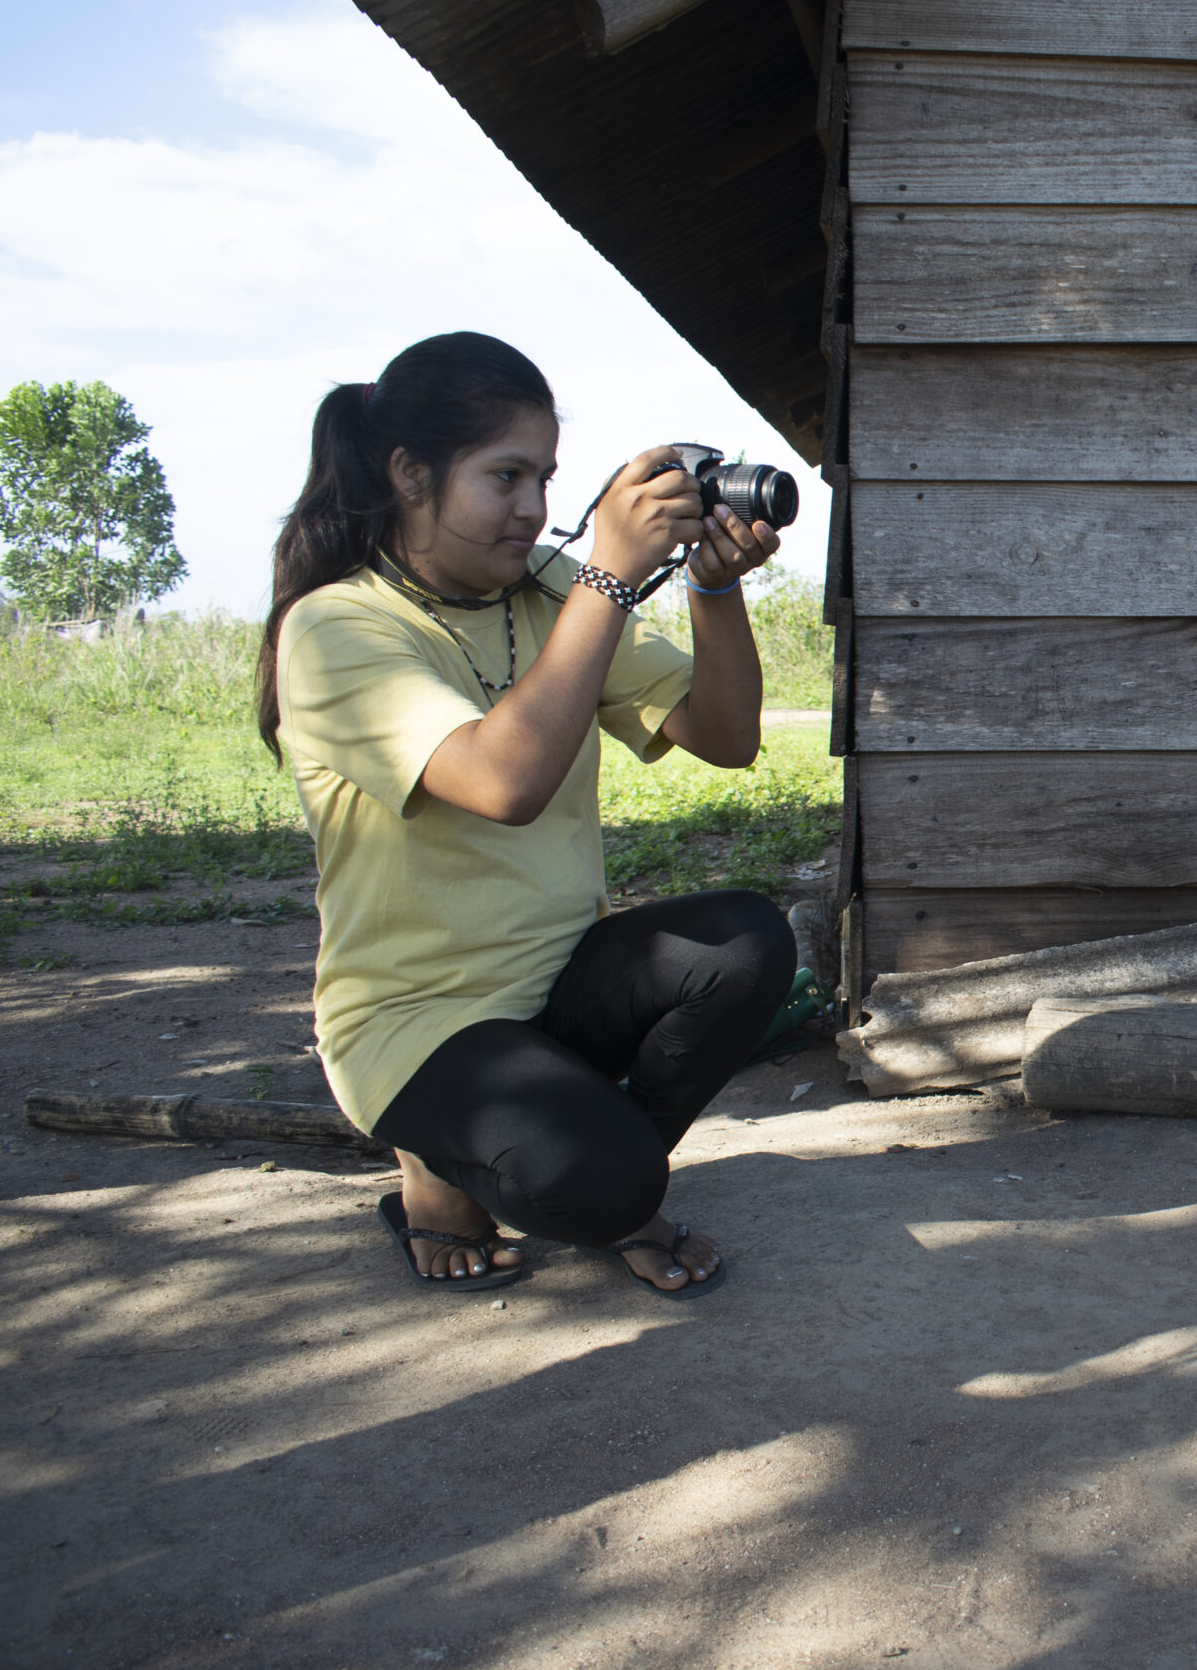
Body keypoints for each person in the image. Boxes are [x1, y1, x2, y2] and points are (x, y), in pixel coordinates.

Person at [259, 331, 797, 1298]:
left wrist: (713, 587)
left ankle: (576, 1152)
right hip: (418, 1024)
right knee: (604, 1184)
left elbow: (726, 736)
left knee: (747, 940)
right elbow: (503, 785)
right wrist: (605, 576)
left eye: (545, 478)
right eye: (504, 477)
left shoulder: (548, 596)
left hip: (557, 990)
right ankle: (448, 1164)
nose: (535, 509)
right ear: (410, 474)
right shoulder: (340, 626)